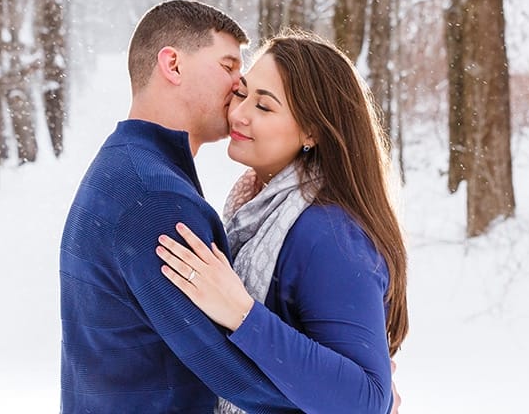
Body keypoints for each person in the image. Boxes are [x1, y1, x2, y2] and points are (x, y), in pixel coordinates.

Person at [58, 0, 297, 413]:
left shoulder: (125, 166)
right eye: (227, 67)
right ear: (173, 64)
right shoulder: (154, 197)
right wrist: (349, 398)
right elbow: (225, 367)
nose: (240, 85)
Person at [156, 31, 408, 414]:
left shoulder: (328, 233)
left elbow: (368, 400)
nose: (239, 114)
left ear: (312, 131)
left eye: (265, 107)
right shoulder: (254, 210)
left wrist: (241, 312)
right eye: (242, 94)